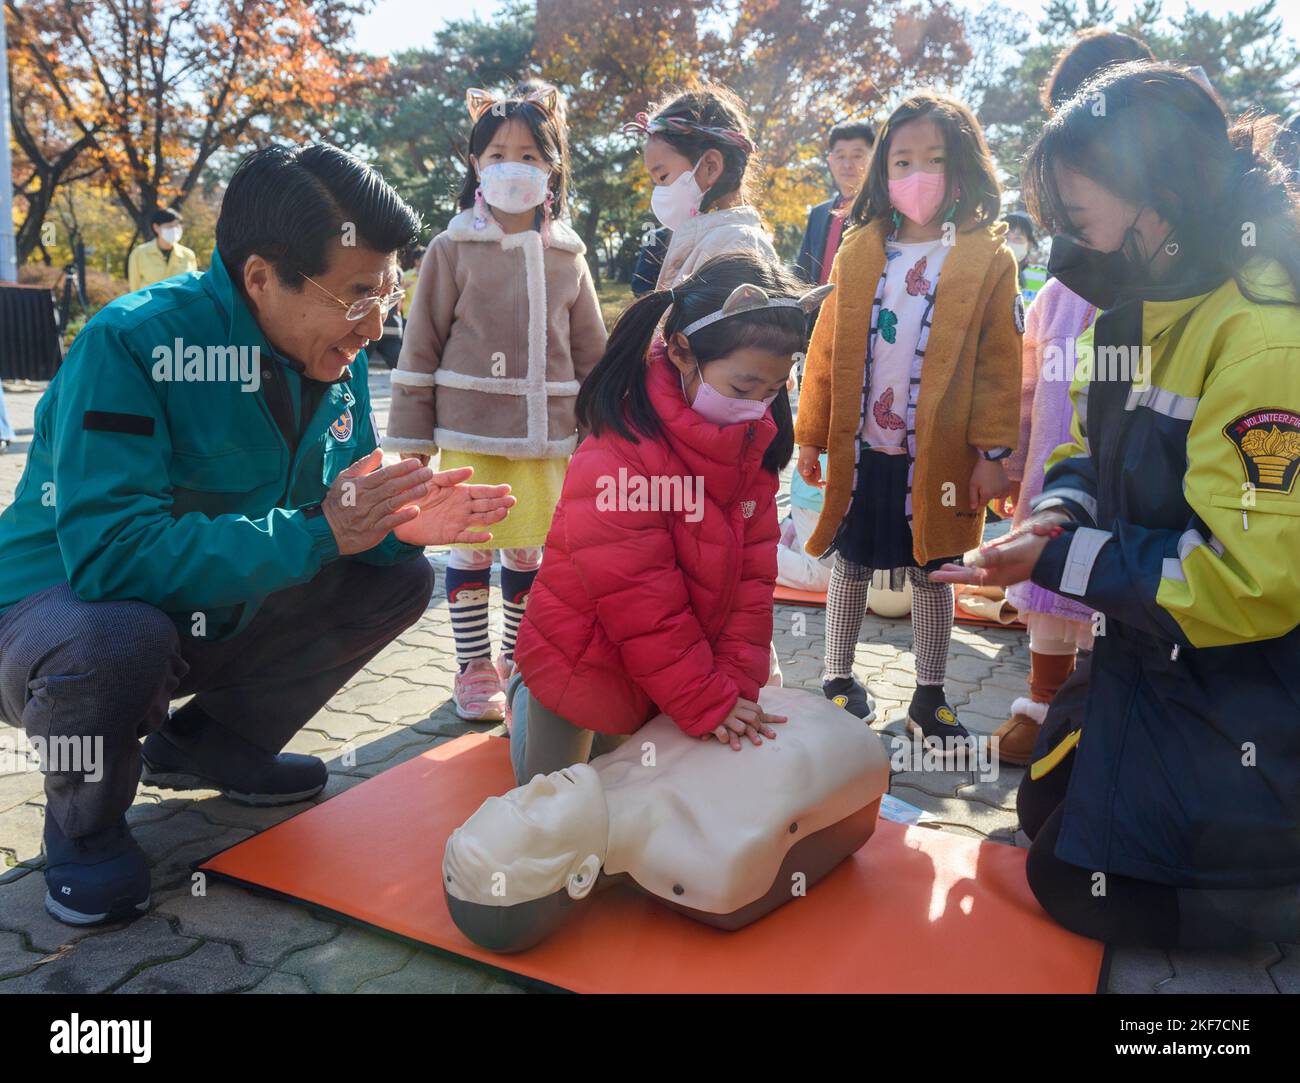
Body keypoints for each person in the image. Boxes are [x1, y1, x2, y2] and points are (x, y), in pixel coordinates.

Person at [0, 143, 514, 927]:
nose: (375, 323)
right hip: (50, 616)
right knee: (117, 639)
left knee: (399, 579)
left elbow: (338, 517)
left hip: (196, 610)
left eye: (388, 290)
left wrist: (398, 528)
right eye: (356, 294)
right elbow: (111, 558)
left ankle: (213, 743)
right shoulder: (133, 344)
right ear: (261, 277)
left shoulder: (329, 358)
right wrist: (321, 529)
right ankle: (86, 824)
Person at [934, 63, 1300, 948]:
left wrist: (1058, 560)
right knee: (1048, 810)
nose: (1065, 246)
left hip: (1243, 686)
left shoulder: (1260, 339)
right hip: (1150, 656)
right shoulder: (1128, 318)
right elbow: (1083, 452)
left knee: (1076, 887)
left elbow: (1250, 580)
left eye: (1080, 222)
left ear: (1161, 201)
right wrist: (1055, 513)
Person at [510, 254, 823, 786]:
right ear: (681, 351)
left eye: (773, 391)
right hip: (585, 660)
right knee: (550, 805)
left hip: (672, 665)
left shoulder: (752, 445)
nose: (757, 407)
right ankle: (522, 691)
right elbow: (641, 600)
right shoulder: (618, 452)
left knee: (639, 800)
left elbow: (753, 577)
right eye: (743, 388)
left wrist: (735, 689)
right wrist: (705, 696)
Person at [794, 91, 1021, 740]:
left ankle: (929, 695)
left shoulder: (988, 258)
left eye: (934, 159)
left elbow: (1000, 365)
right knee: (851, 560)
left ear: (963, 169)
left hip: (944, 459)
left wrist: (993, 456)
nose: (916, 174)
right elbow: (826, 348)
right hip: (864, 451)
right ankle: (836, 677)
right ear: (881, 173)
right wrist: (811, 433)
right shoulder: (861, 249)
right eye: (901, 161)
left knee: (935, 569)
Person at [384, 83, 607, 723]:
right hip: (471, 433)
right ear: (476, 166)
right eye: (499, 153)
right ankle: (472, 665)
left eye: (531, 155)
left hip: (548, 439)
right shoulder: (450, 249)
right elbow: (419, 344)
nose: (515, 165)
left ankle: (516, 658)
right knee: (471, 546)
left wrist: (604, 429)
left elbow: (591, 352)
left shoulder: (569, 255)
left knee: (529, 550)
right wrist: (411, 435)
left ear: (553, 169)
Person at [995, 27, 1155, 765]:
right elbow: (1029, 383)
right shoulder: (1058, 287)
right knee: (1047, 600)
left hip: (1118, 473)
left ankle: (1093, 713)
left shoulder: (1158, 279)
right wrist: (1014, 457)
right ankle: (1040, 698)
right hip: (1056, 474)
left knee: (1103, 593)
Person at [622, 84, 777, 290]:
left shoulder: (735, 249)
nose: (658, 192)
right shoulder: (710, 240)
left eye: (663, 177)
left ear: (710, 167)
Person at [796, 120, 875, 288]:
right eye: (840, 156)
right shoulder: (818, 213)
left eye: (857, 156)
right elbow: (801, 274)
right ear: (831, 160)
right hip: (818, 313)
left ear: (873, 158)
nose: (847, 165)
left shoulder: (881, 210)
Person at [126, 207, 199, 292]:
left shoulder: (188, 254)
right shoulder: (139, 253)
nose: (174, 230)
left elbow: (194, 286)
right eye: (170, 226)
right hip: (151, 305)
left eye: (177, 225)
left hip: (181, 304)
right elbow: (134, 288)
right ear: (156, 227)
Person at [1002, 212, 1049, 303]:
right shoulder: (988, 274)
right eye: (1006, 237)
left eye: (1017, 238)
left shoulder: (1045, 277)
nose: (1009, 244)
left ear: (1030, 244)